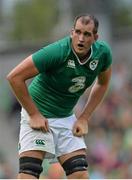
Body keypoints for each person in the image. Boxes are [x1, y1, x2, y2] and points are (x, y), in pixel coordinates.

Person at [7, 14, 112, 179]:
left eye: (86, 34)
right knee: (29, 175)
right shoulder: (57, 51)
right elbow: (14, 77)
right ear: (72, 32)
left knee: (80, 174)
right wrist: (34, 114)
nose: (81, 38)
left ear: (95, 37)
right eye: (77, 32)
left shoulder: (103, 53)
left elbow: (103, 83)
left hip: (65, 116)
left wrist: (84, 117)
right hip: (38, 112)